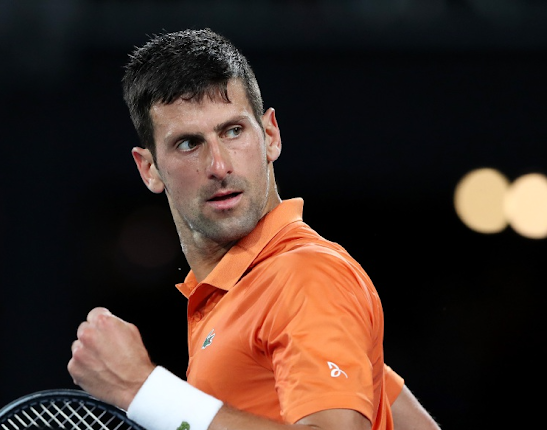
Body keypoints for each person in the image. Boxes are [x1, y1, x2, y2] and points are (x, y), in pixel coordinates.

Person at [68, 28, 440, 430]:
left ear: (271, 136)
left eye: (233, 131)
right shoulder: (247, 294)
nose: (220, 166)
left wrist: (142, 389)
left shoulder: (305, 276)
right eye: (189, 143)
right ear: (150, 168)